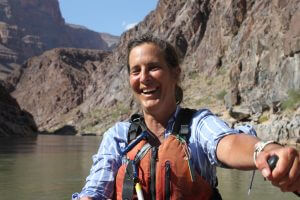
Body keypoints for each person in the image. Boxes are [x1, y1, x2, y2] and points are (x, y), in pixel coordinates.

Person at [72, 34, 300, 200]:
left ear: (175, 74)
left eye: (153, 67)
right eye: (136, 70)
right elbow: (95, 190)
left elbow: (227, 143)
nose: (144, 78)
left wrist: (264, 151)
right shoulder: (118, 136)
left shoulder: (198, 125)